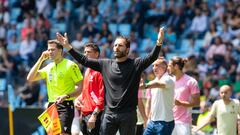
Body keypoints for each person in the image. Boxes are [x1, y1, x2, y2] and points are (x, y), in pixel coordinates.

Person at [56, 27, 165, 135]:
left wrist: (159, 42)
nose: (116, 47)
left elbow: (152, 57)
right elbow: (84, 60)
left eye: (120, 45)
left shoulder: (135, 64)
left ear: (127, 50)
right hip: (109, 114)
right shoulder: (105, 64)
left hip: (128, 115)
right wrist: (68, 47)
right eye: (115, 45)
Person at [27, 39, 83, 135]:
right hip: (51, 106)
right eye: (48, 50)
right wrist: (41, 59)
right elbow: (30, 77)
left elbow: (80, 88)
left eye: (52, 50)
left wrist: (66, 95)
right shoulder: (49, 67)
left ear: (60, 51)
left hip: (66, 105)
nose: (50, 52)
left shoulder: (71, 65)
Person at [75, 43, 104, 135]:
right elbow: (86, 91)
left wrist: (94, 116)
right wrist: (78, 99)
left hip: (95, 114)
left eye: (88, 52)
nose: (85, 54)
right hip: (85, 114)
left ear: (96, 54)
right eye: (84, 52)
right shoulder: (87, 70)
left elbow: (102, 96)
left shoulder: (100, 71)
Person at [140, 58, 175, 135]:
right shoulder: (152, 82)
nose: (154, 68)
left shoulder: (169, 79)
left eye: (157, 65)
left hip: (165, 123)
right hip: (152, 122)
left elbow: (158, 84)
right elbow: (150, 103)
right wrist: (147, 119)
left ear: (164, 67)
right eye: (153, 65)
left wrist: (145, 86)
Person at [167, 56, 200, 135]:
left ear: (176, 66)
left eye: (169, 66)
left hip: (184, 123)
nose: (167, 68)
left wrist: (180, 103)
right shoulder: (169, 81)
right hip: (169, 121)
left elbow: (197, 103)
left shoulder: (191, 81)